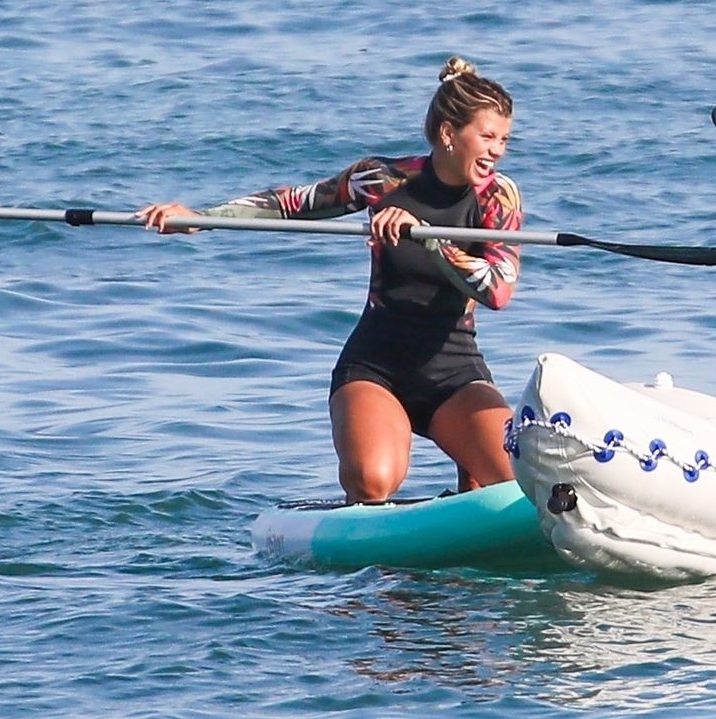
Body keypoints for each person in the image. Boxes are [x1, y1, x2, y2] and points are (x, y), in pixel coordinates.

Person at [135, 57, 521, 503]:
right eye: (487, 137)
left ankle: (468, 494)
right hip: (377, 365)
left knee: (519, 481)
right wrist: (201, 217)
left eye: (504, 140)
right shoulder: (383, 179)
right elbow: (293, 203)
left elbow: (498, 290)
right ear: (449, 133)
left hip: (455, 370)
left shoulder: (498, 196)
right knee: (372, 482)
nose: (497, 151)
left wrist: (430, 238)